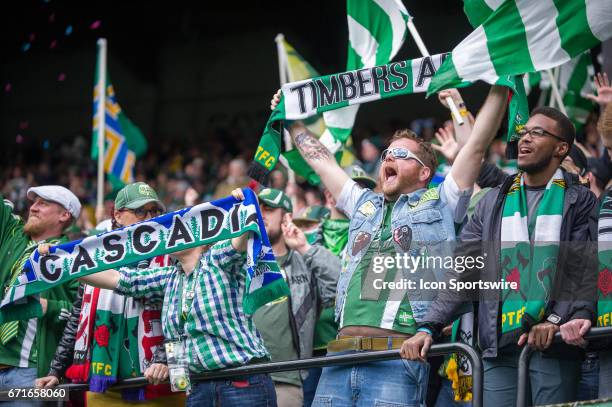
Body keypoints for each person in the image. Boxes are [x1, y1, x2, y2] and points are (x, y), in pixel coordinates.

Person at [270, 84, 508, 406]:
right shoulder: (362, 203)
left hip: (395, 360)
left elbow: (476, 146)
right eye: (387, 154)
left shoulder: (442, 201)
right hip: (338, 360)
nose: (389, 158)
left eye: (402, 154)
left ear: (425, 172)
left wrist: (502, 83)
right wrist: (292, 120)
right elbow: (322, 161)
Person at [401, 104, 599, 406]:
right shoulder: (492, 201)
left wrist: (556, 320)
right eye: (524, 132)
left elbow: (582, 268)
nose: (525, 139)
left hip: (553, 343)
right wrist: (428, 325)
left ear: (561, 148)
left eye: (537, 133)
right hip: (498, 345)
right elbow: (463, 272)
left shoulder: (579, 199)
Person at [40, 188, 277, 407]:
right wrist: (59, 261)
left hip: (241, 381)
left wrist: (247, 199)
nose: (169, 233)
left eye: (178, 228)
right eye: (142, 211)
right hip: (198, 387)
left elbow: (245, 231)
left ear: (200, 241)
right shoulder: (167, 278)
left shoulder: (218, 260)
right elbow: (114, 279)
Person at [36, 182, 182, 406]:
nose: (150, 217)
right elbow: (78, 317)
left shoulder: (173, 254)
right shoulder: (94, 256)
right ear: (117, 214)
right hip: (104, 385)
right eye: (141, 211)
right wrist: (56, 371)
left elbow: (180, 314)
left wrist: (163, 360)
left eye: (155, 211)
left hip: (159, 383)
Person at [252, 188, 340, 407]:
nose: (261, 214)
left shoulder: (303, 260)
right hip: (243, 379)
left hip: (287, 380)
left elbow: (341, 284)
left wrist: (304, 247)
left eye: (269, 209)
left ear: (287, 217)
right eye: (257, 209)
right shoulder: (239, 262)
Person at [0, 186, 81, 406]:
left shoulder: (74, 256)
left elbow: (84, 311)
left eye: (43, 203)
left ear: (64, 215)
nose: (33, 208)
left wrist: (51, 307)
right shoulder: (12, 238)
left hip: (32, 374)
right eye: (33, 202)